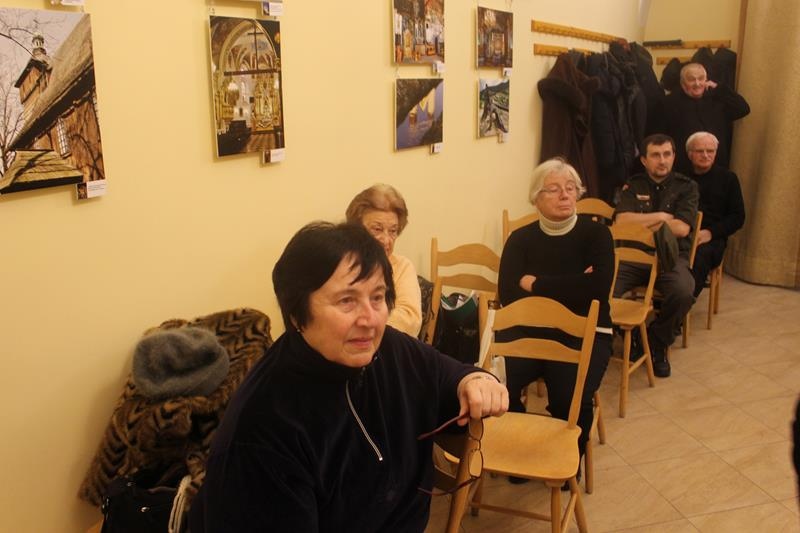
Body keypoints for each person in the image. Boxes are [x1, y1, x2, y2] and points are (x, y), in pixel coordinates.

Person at [189, 222, 508, 532]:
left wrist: (475, 381)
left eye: (377, 297)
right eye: (347, 301)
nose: (370, 319)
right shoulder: (263, 429)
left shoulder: (388, 348)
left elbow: (445, 373)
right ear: (297, 314)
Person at [498, 158, 614, 481]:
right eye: (553, 189)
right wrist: (575, 284)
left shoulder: (597, 235)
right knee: (497, 385)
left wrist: (536, 284)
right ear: (536, 198)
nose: (565, 195)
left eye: (571, 188)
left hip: (587, 332)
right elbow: (508, 294)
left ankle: (567, 460)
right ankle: (519, 451)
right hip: (528, 332)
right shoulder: (520, 239)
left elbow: (598, 289)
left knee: (568, 396)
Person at [613, 134, 699, 378]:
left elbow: (681, 228)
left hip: (669, 258)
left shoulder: (687, 187)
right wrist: (661, 218)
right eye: (655, 155)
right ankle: (630, 336)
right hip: (633, 257)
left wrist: (641, 223)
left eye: (667, 154)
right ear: (643, 160)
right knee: (600, 290)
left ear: (674, 156)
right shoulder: (634, 185)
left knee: (683, 292)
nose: (662, 160)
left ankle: (656, 342)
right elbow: (622, 222)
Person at [346, 184, 422, 337]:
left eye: (393, 231)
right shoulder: (341, 263)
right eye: (377, 229)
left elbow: (410, 320)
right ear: (356, 229)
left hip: (388, 346)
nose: (386, 240)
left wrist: (359, 326)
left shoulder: (402, 267)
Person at [654, 62, 750, 175]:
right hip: (682, 168)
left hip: (716, 166)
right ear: (682, 82)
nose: (697, 83)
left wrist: (719, 88)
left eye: (701, 78)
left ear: (706, 79)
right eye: (691, 79)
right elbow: (659, 138)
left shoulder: (718, 98)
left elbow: (743, 109)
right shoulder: (667, 104)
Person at [685, 131, 745, 297]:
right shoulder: (680, 177)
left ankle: (681, 304)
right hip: (683, 232)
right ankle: (662, 300)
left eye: (710, 151)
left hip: (712, 238)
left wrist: (709, 233)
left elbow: (738, 217)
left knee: (698, 258)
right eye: (700, 151)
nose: (705, 155)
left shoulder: (729, 179)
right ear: (690, 154)